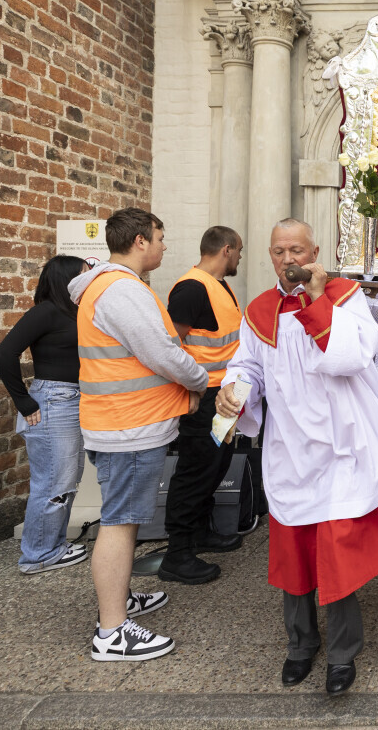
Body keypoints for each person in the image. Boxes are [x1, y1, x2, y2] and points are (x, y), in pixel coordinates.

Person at [215, 218, 378, 696]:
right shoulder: (259, 311)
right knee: (293, 553)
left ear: (315, 253)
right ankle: (300, 645)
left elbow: (353, 356)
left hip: (341, 446)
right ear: (269, 256)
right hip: (290, 447)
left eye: (297, 250)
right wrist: (233, 390)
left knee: (337, 555)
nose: (288, 259)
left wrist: (317, 300)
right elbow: (248, 365)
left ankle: (341, 654)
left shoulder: (344, 297)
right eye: (279, 251)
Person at [69, 207, 209, 662]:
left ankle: (120, 599)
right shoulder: (122, 290)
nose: (165, 246)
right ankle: (112, 632)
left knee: (122, 520)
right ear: (139, 241)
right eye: (160, 237)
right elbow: (161, 352)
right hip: (128, 427)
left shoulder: (111, 287)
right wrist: (198, 380)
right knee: (120, 523)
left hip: (122, 422)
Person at [158, 226, 245, 585]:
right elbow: (169, 347)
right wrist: (191, 388)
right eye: (239, 251)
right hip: (203, 397)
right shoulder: (192, 288)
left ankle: (200, 532)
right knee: (196, 470)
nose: (240, 257)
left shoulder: (218, 285)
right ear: (226, 250)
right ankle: (177, 554)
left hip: (222, 395)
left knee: (215, 464)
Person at [0, 255, 89, 574]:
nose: (88, 278)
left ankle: (53, 545)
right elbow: (4, 353)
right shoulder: (46, 311)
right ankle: (37, 555)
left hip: (72, 400)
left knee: (66, 479)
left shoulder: (75, 311)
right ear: (66, 279)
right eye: (83, 273)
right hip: (53, 402)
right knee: (52, 483)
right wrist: (24, 402)